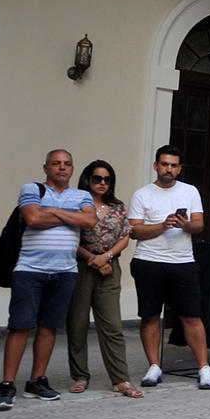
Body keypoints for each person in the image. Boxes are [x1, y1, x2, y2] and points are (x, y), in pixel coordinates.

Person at [0, 149, 95, 411]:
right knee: (19, 326)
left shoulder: (82, 195)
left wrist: (51, 211)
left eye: (67, 164)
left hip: (65, 271)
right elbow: (32, 217)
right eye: (56, 164)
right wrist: (67, 215)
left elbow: (89, 220)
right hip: (30, 270)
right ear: (46, 167)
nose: (62, 168)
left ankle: (36, 380)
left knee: (49, 327)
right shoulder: (32, 189)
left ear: (73, 169)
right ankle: (7, 384)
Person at [128, 145, 210, 389]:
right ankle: (154, 366)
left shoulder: (190, 191)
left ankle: (204, 368)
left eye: (173, 165)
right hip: (149, 261)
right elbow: (134, 230)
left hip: (182, 262)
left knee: (191, 316)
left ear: (179, 168)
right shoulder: (142, 194)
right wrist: (163, 225)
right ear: (156, 166)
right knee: (150, 315)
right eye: (164, 164)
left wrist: (185, 225)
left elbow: (199, 225)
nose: (169, 169)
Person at [66, 160, 141, 398]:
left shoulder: (117, 207)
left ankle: (120, 379)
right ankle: (80, 376)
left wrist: (106, 257)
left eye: (107, 180)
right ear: (87, 179)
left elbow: (125, 236)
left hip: (110, 267)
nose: (102, 183)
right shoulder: (75, 203)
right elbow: (69, 237)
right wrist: (92, 259)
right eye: (97, 179)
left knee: (112, 326)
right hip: (81, 265)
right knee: (77, 324)